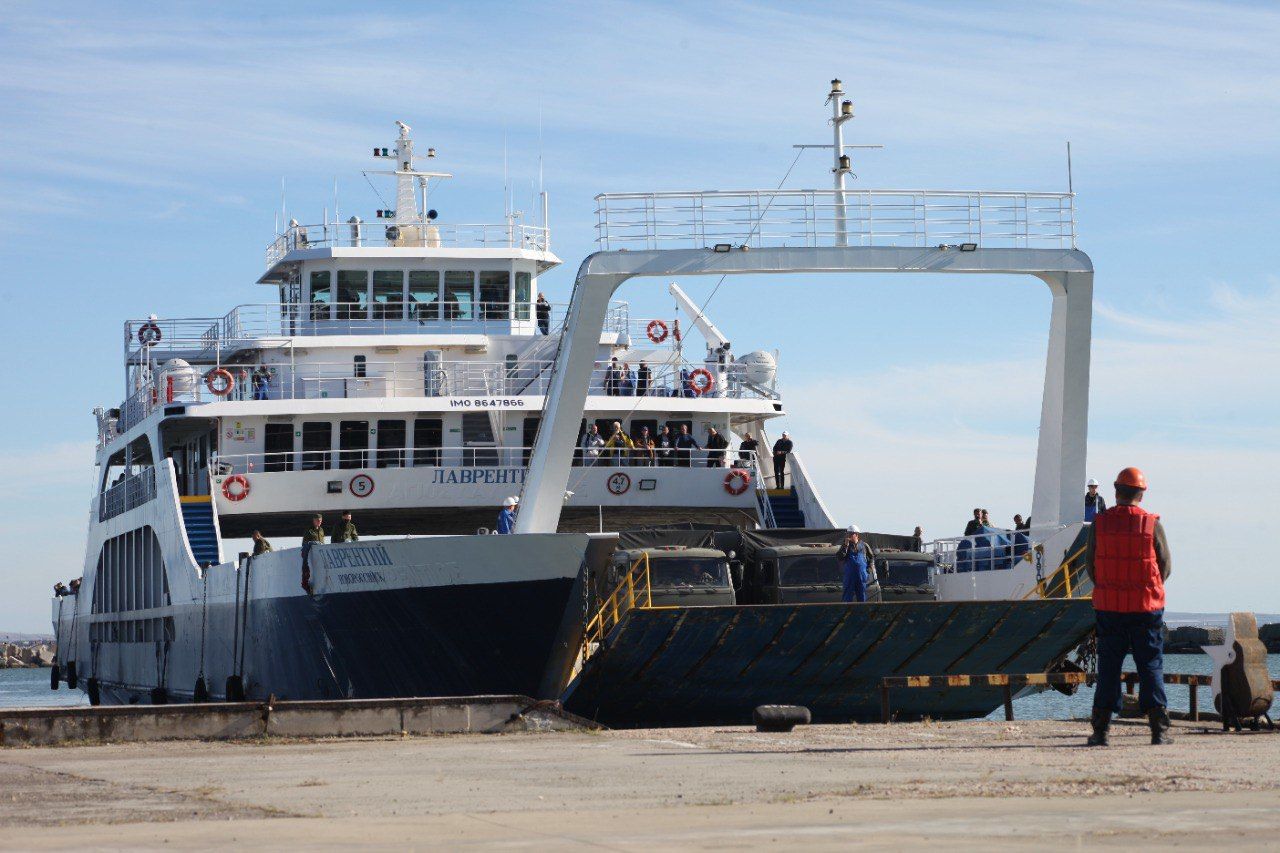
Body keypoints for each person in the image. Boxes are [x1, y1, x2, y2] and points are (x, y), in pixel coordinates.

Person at [1084, 467, 1173, 748]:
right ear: (1142, 493)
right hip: (1147, 609)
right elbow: (1165, 566)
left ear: (1115, 490)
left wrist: (1110, 586)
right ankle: (1159, 730)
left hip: (1110, 610)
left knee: (1108, 667)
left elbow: (1091, 567)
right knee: (1151, 665)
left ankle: (1101, 732)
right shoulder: (1151, 524)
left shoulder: (1100, 523)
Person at [838, 525, 872, 603]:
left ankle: (862, 613)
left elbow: (871, 557)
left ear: (856, 535)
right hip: (850, 576)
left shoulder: (864, 545)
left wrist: (868, 570)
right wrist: (845, 546)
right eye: (848, 534)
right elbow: (840, 557)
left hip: (861, 576)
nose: (848, 536)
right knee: (847, 598)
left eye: (850, 534)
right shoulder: (845, 545)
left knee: (862, 598)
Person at [301, 514, 325, 594]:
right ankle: (306, 584)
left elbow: (323, 542)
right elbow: (304, 543)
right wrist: (313, 543)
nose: (319, 522)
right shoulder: (309, 530)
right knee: (308, 570)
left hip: (320, 554)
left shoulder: (321, 530)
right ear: (314, 521)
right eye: (317, 520)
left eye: (320, 521)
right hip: (310, 554)